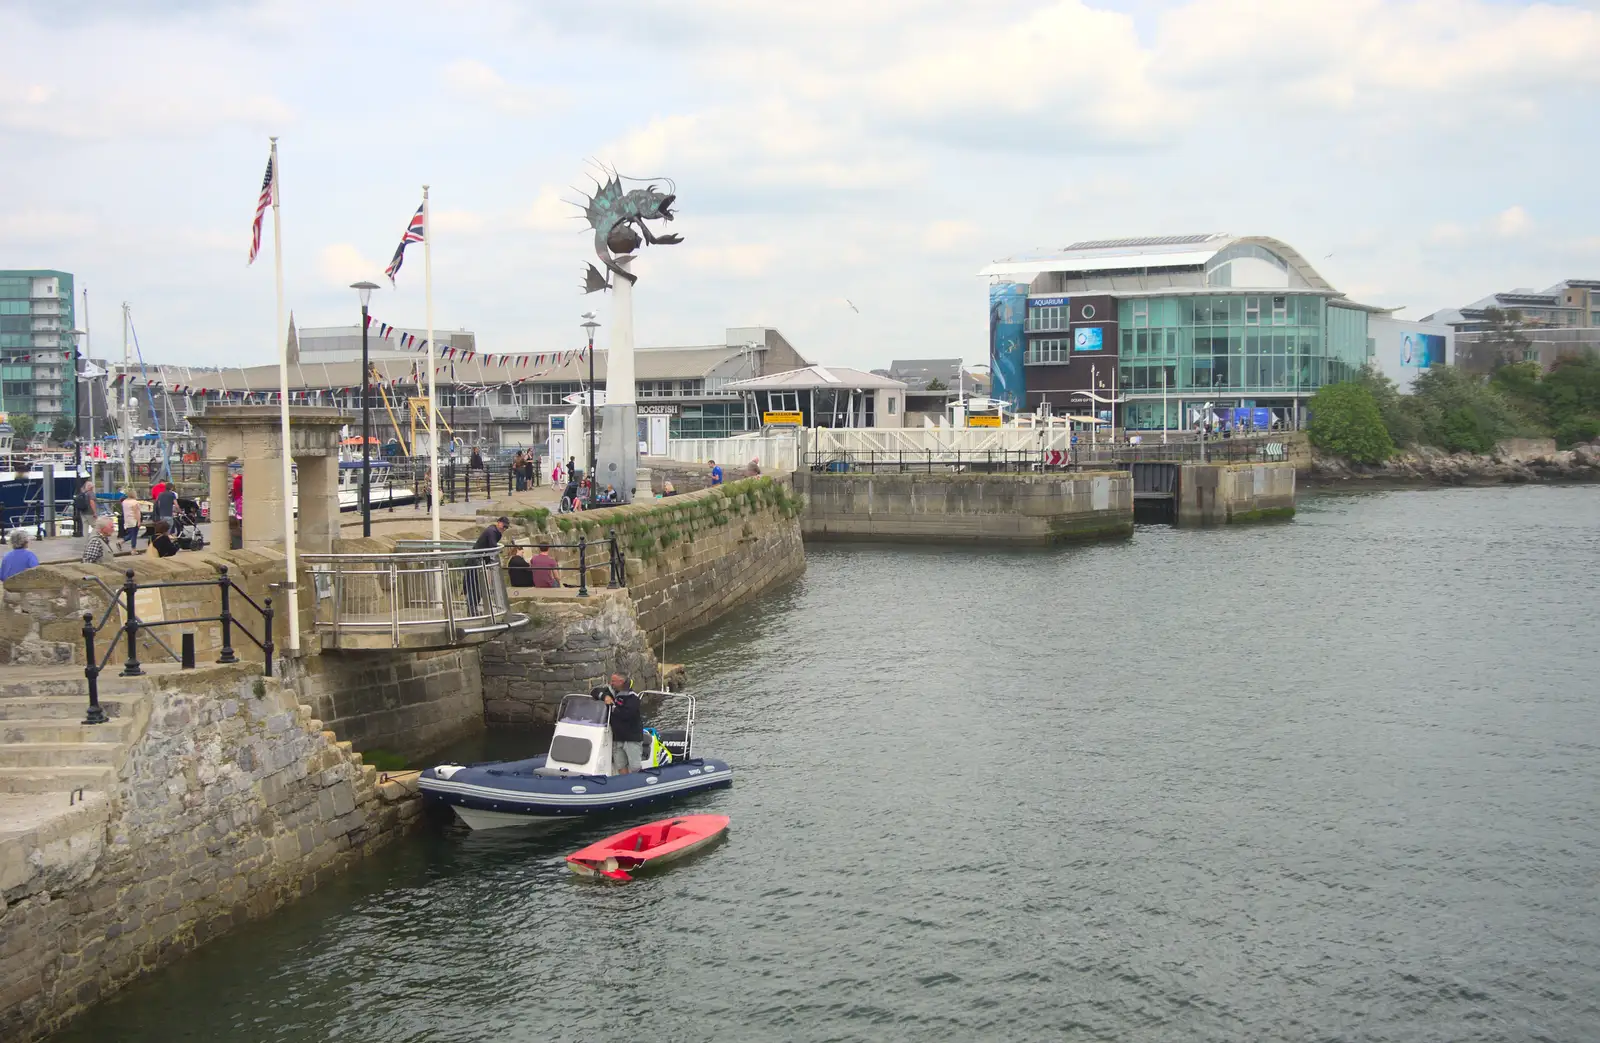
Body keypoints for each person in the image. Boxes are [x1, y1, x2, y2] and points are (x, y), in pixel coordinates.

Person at [599, 673, 644, 774]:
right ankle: (625, 783)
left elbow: (626, 715)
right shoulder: (611, 692)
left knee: (635, 767)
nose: (611, 683)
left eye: (614, 681)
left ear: (621, 682)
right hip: (618, 738)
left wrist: (613, 707)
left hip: (631, 738)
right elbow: (595, 691)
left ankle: (637, 785)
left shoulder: (633, 698)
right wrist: (605, 696)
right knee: (620, 765)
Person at [468, 516, 510, 614]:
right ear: (499, 523)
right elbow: (493, 546)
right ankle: (471, 609)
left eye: (506, 528)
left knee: (477, 586)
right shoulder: (492, 531)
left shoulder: (496, 532)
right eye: (504, 526)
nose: (504, 529)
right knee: (475, 586)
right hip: (475, 561)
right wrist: (500, 551)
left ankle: (473, 609)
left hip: (479, 561)